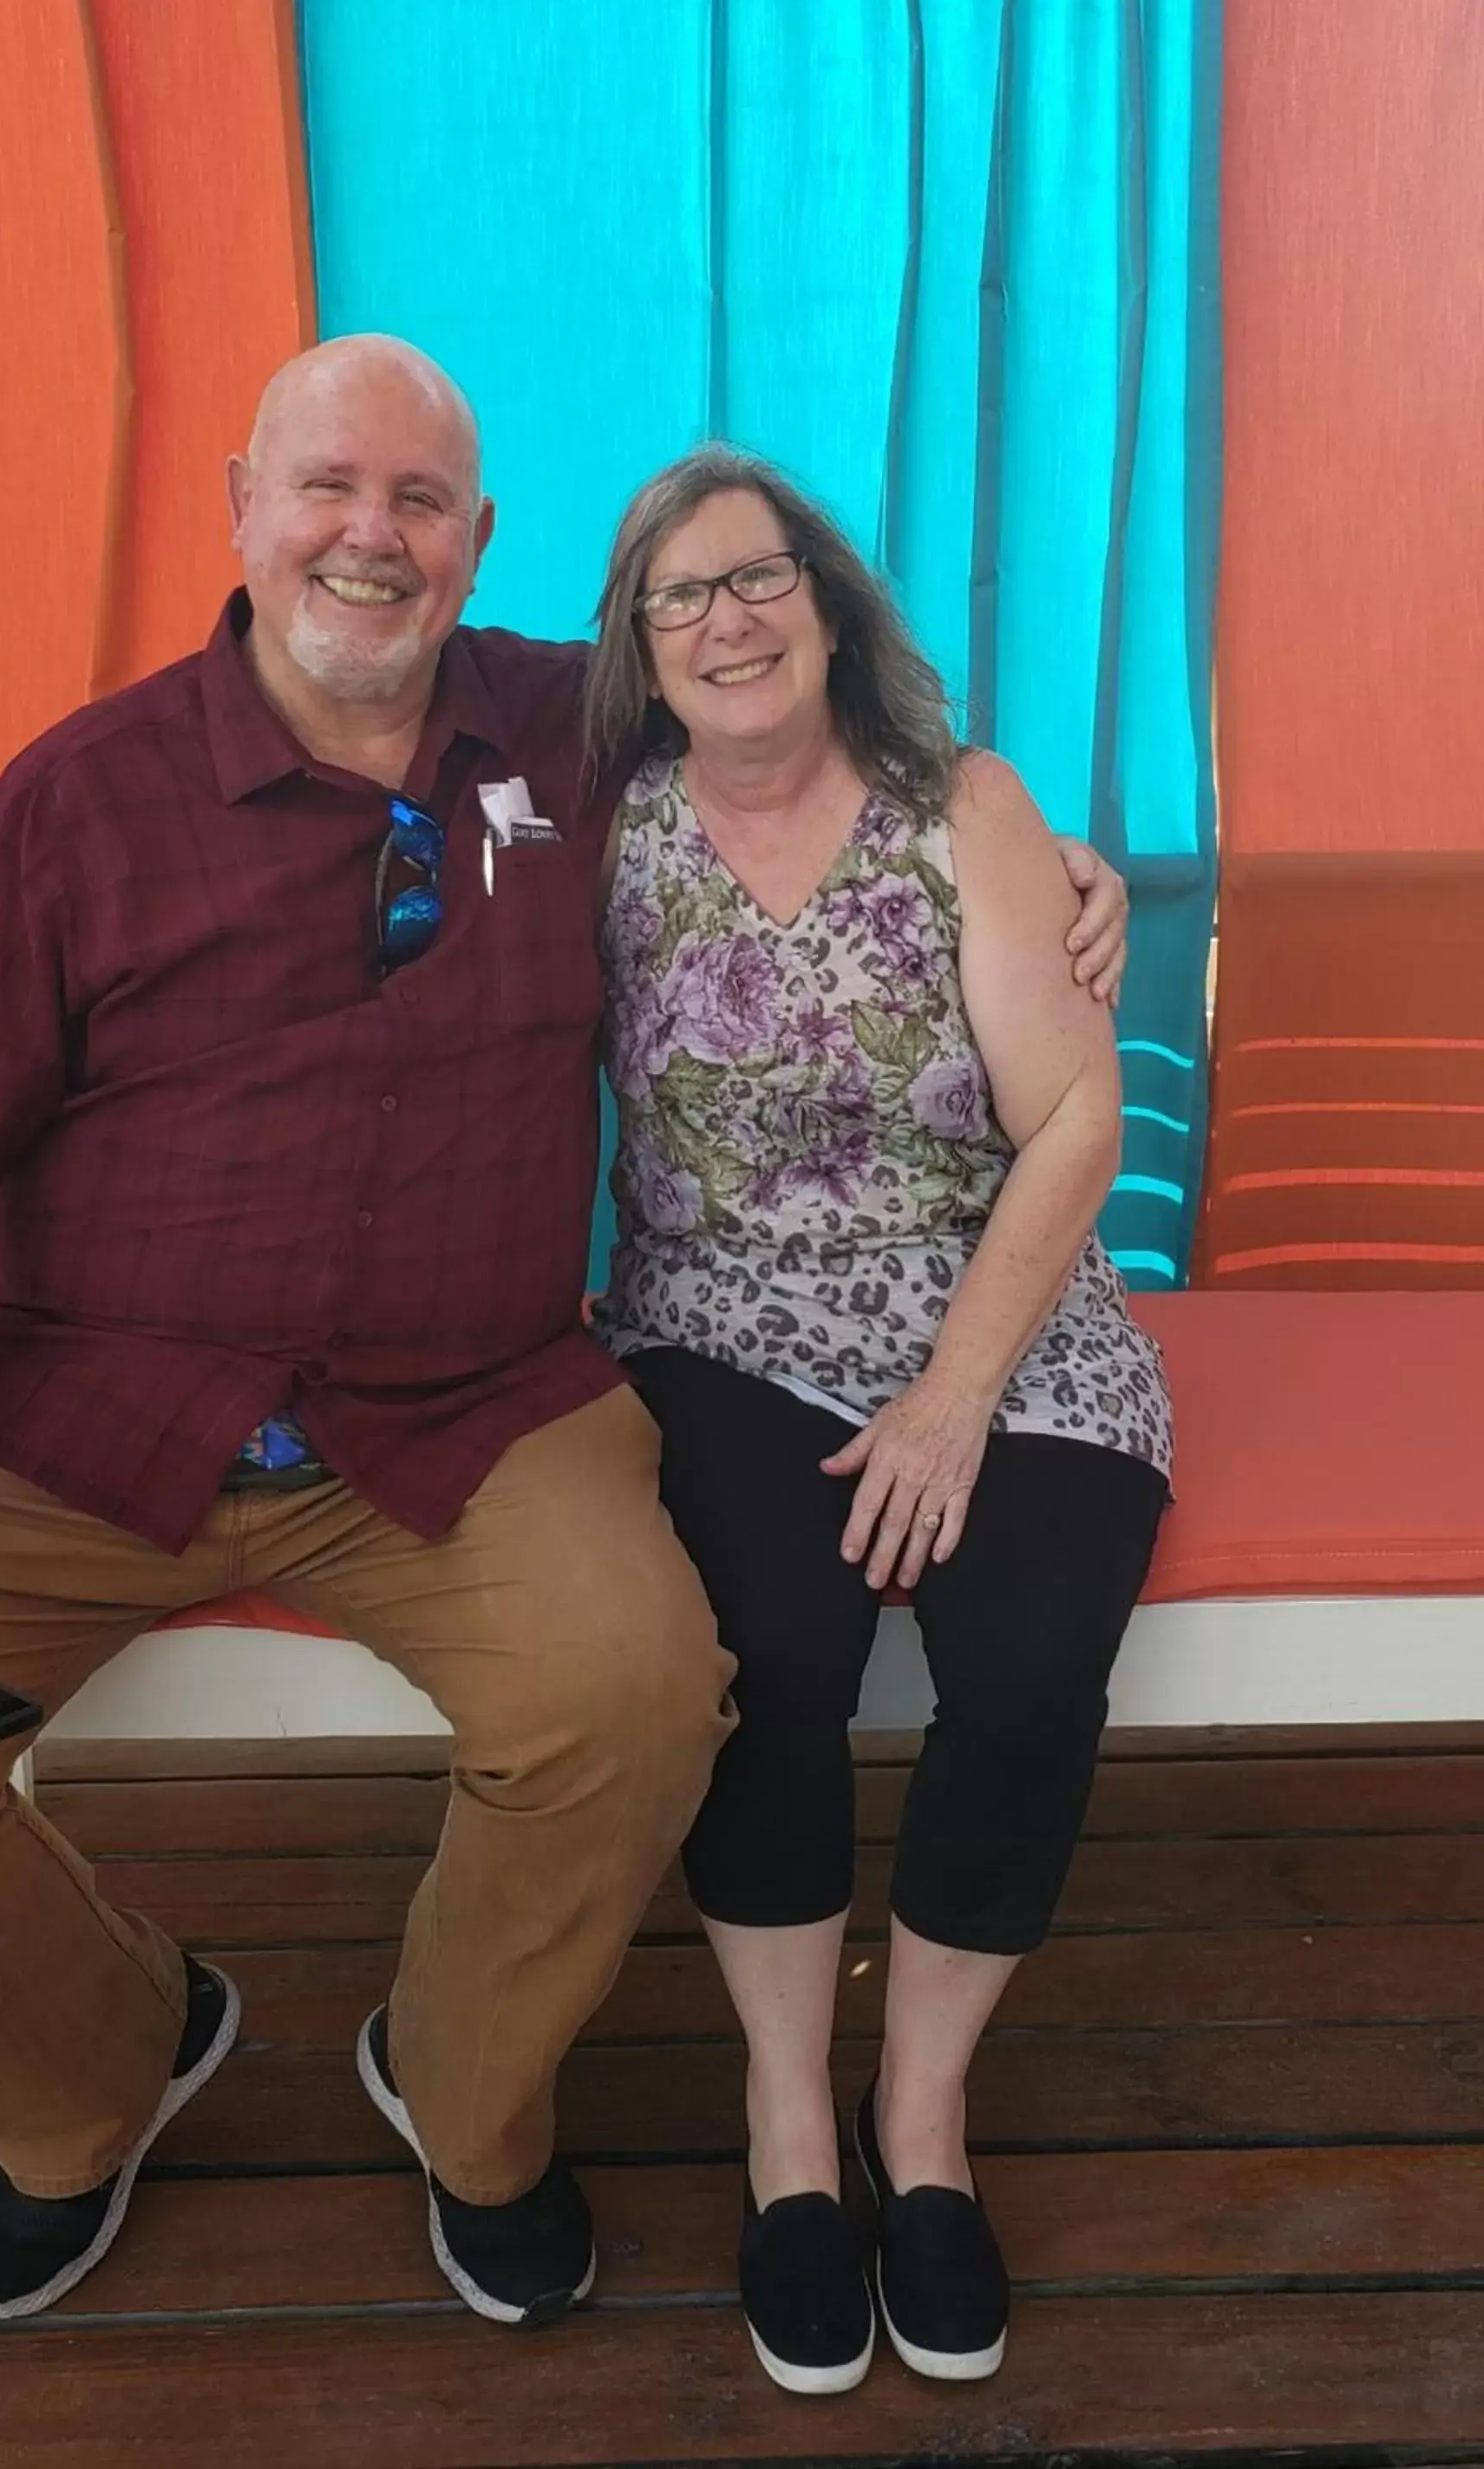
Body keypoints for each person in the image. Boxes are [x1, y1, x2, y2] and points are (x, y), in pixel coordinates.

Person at [0, 339, 1129, 2334]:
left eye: (419, 504)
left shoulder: (570, 718)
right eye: (326, 489)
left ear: (477, 543)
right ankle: (101, 2073)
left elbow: (811, 751)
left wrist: (1050, 860)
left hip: (464, 1416)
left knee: (638, 1701)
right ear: (241, 509)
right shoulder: (82, 801)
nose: (369, 536)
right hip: (91, 1421)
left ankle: (465, 2103)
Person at [585, 446, 1173, 2396]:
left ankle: (919, 2122)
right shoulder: (606, 831)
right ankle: (781, 2121)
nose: (729, 622)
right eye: (684, 598)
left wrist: (951, 1398)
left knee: (1027, 1655)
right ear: (641, 649)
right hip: (723, 1324)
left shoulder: (963, 807)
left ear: (832, 610)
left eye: (762, 582)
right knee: (772, 1649)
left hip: (998, 1309)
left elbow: (1078, 1120)